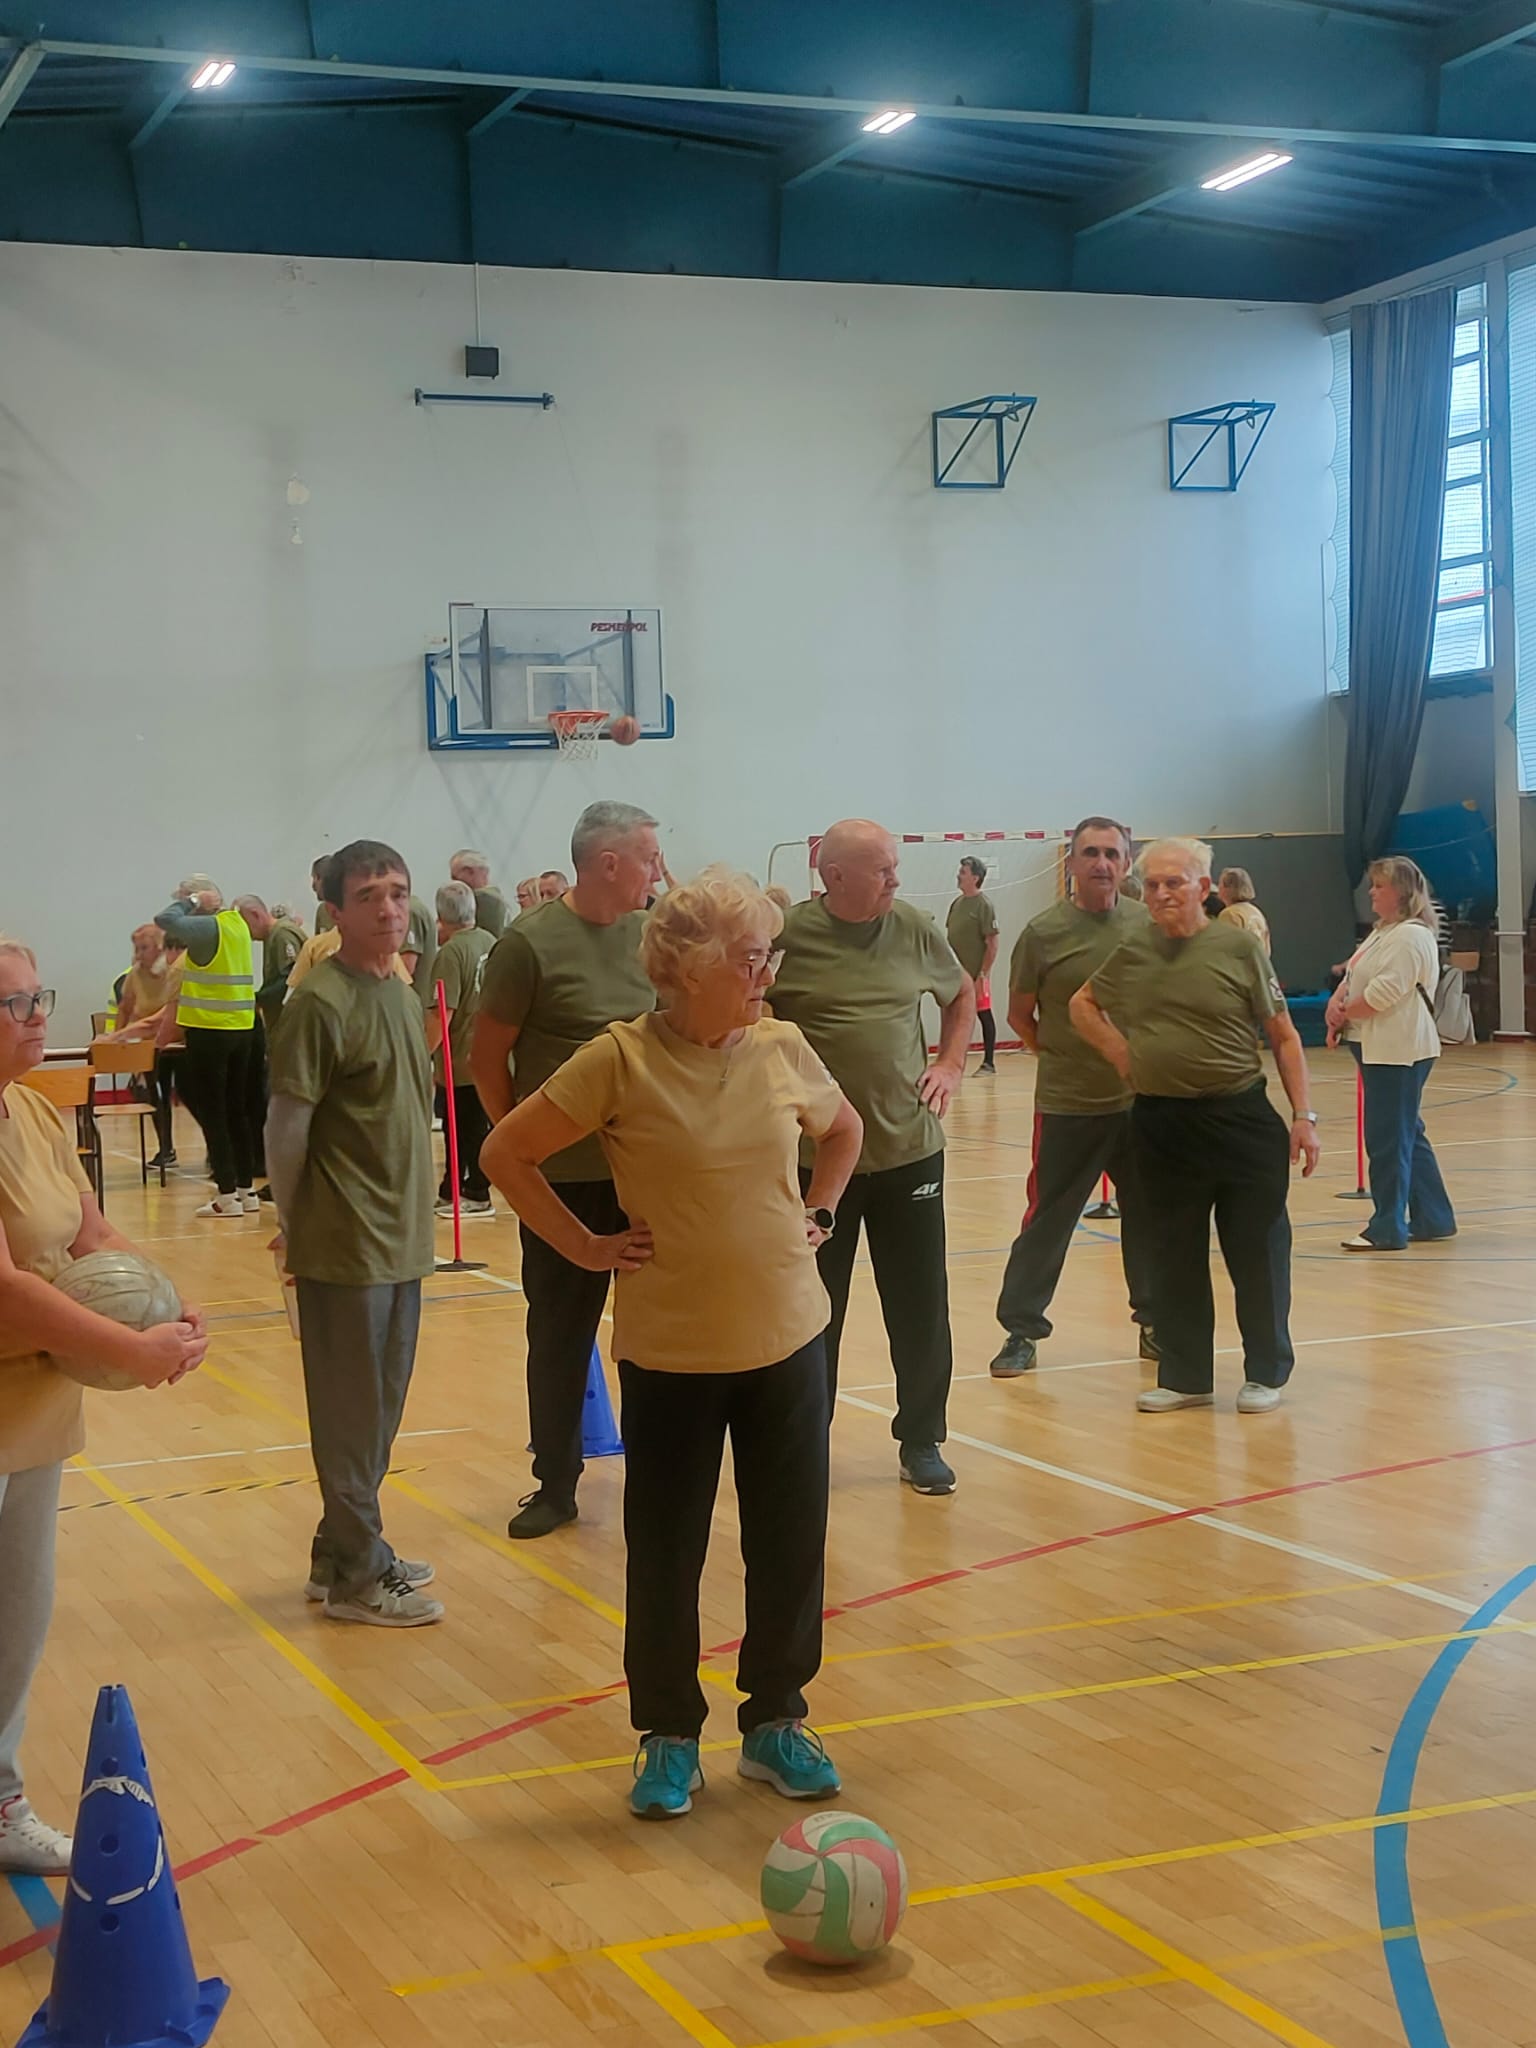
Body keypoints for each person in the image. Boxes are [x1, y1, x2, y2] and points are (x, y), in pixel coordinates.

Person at [481, 871, 863, 1819]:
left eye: (767, 956)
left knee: (790, 1543)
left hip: (789, 1337)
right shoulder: (619, 1059)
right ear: (691, 969)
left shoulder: (782, 1046)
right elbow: (505, 1154)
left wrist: (819, 1210)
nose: (766, 975)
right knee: (665, 1551)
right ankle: (668, 1735)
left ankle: (776, 1720)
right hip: (671, 1352)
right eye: (751, 959)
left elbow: (845, 1131)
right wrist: (584, 1246)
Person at [0, 935, 207, 1875]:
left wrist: (169, 1306)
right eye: (14, 1003)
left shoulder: (33, 1112)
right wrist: (132, 1351)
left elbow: (93, 1238)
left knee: (17, 1614)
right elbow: (7, 1292)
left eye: (38, 996)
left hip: (35, 1409)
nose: (36, 1015)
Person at [1069, 837, 1320, 1415]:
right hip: (1161, 1123)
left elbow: (1283, 1036)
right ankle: (1185, 1376)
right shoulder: (1134, 949)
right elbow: (1083, 1004)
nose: (1161, 894)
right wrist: (1123, 1055)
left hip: (1239, 1119)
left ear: (1203, 888)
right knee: (1171, 1252)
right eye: (1152, 884)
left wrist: (1303, 1116)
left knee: (1256, 1251)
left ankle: (1265, 1371)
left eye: (1174, 883)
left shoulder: (1238, 948)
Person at [472, 801, 662, 1538]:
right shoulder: (529, 945)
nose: (657, 870)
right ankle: (555, 1482)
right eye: (648, 856)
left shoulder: (654, 934)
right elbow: (488, 1060)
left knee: (659, 1331)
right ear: (608, 863)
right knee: (559, 1332)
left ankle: (663, 1469)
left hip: (647, 1174)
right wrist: (522, 1146)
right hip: (564, 1180)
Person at [266, 842, 442, 1627]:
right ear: (335, 912)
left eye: (398, 892)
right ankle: (359, 1580)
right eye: (369, 895)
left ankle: (338, 1550)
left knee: (379, 1410)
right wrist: (294, 1222)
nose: (389, 908)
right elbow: (286, 1128)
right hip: (345, 1241)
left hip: (402, 1237)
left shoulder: (398, 991)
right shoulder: (320, 1003)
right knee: (349, 1415)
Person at [770, 818, 974, 1495]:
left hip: (908, 1153)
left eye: (894, 866)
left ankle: (922, 1438)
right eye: (882, 868)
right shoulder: (788, 937)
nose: (895, 878)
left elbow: (961, 992)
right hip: (817, 1165)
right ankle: (805, 1442)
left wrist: (950, 1063)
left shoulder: (914, 927)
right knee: (813, 1308)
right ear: (834, 877)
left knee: (920, 1307)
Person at [991, 818, 1158, 1377]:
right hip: (1068, 1104)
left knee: (1151, 1216)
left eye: (1112, 853)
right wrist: (1061, 1054)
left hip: (1142, 1104)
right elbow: (1020, 1015)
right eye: (1090, 853)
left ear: (1126, 863)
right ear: (1072, 864)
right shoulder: (1043, 933)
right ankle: (1021, 1330)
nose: (1101, 863)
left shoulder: (1148, 924)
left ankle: (1156, 1324)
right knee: (1048, 1218)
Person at [1327, 856, 1455, 1253]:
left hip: (1398, 1050)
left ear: (1400, 892)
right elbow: (1353, 975)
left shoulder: (1410, 937)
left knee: (1388, 1138)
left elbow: (1382, 994)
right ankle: (1434, 1216)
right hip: (1377, 1045)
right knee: (1406, 1133)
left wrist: (1345, 1012)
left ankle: (1387, 1226)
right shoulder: (1383, 932)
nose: (1371, 892)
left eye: (1379, 886)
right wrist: (1336, 1005)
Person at [155, 875, 261, 1218]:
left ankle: (226, 1196)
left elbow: (165, 920)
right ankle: (246, 1191)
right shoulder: (236, 924)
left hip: (209, 1031)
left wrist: (192, 902)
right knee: (237, 1112)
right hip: (242, 1029)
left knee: (214, 1114)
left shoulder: (206, 928)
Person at [428, 881, 495, 1217]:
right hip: (488, 1056)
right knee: (466, 1129)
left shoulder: (451, 954)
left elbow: (442, 1012)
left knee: (465, 1131)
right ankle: (451, 1188)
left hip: (459, 1063)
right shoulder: (490, 942)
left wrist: (421, 1054)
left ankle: (477, 1192)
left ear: (441, 917)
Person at [946, 857, 1000, 1075]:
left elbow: (992, 943)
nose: (958, 875)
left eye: (963, 872)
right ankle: (952, 1062)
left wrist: (982, 975)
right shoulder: (957, 904)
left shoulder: (984, 905)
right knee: (954, 1016)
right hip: (957, 974)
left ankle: (989, 1063)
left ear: (975, 878)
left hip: (977, 974)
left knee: (983, 1013)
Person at [237, 896, 308, 1032]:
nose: (246, 934)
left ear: (255, 915)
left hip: (290, 1023)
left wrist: (258, 998)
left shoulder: (282, 934)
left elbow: (291, 979)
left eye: (244, 925)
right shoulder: (273, 935)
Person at [450, 850, 510, 940]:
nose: (454, 883)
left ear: (470, 871)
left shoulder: (481, 900)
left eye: (455, 878)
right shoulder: (499, 900)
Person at [1217, 869, 1272, 955]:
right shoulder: (1256, 911)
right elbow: (1266, 949)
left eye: (1220, 884)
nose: (1218, 888)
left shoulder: (1230, 914)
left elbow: (1225, 949)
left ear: (1228, 888)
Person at [311, 856, 335, 934]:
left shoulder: (350, 909)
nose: (313, 886)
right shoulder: (322, 911)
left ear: (320, 878)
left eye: (314, 878)